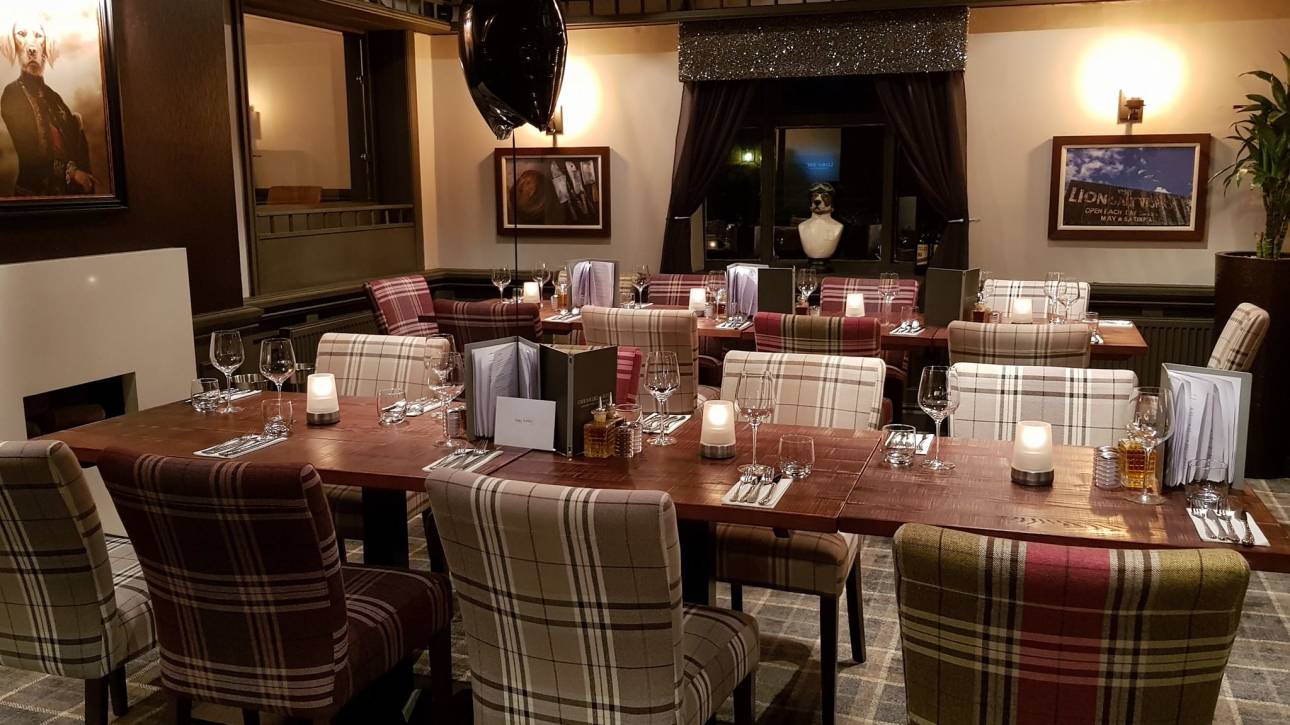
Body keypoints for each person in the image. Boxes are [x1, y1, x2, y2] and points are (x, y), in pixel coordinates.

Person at [1, 20, 97, 197]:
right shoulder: (12, 94)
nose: (32, 47)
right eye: (22, 35)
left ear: (45, 48)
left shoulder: (55, 97)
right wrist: (72, 173)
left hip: (67, 194)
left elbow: (75, 144)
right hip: (33, 196)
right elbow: (30, 155)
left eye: (39, 36)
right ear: (14, 46)